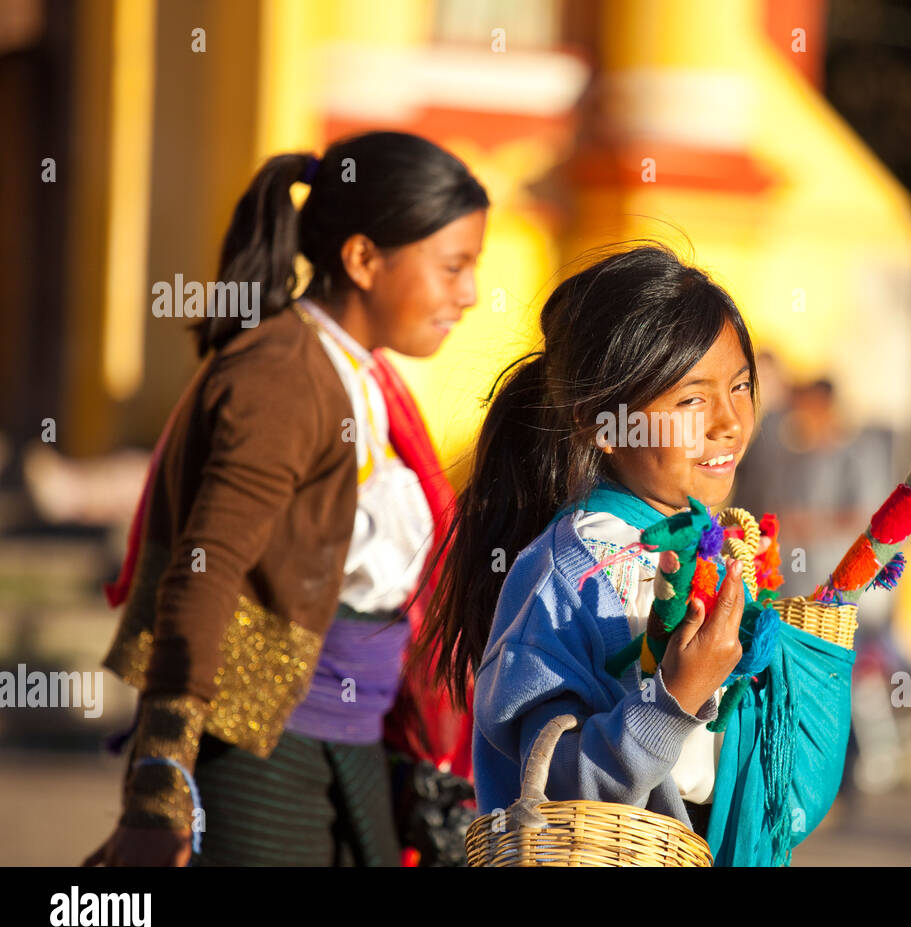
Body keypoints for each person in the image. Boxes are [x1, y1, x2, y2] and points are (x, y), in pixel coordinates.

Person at [85, 131, 487, 866]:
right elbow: (205, 573)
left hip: (350, 749)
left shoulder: (361, 380)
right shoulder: (281, 374)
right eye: (453, 266)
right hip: (260, 755)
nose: (468, 294)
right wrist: (159, 781)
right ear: (363, 259)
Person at [417, 245, 854, 865]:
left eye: (741, 386)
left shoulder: (712, 552)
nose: (730, 422)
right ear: (602, 425)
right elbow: (552, 796)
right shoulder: (570, 575)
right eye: (691, 400)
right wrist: (673, 700)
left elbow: (751, 793)